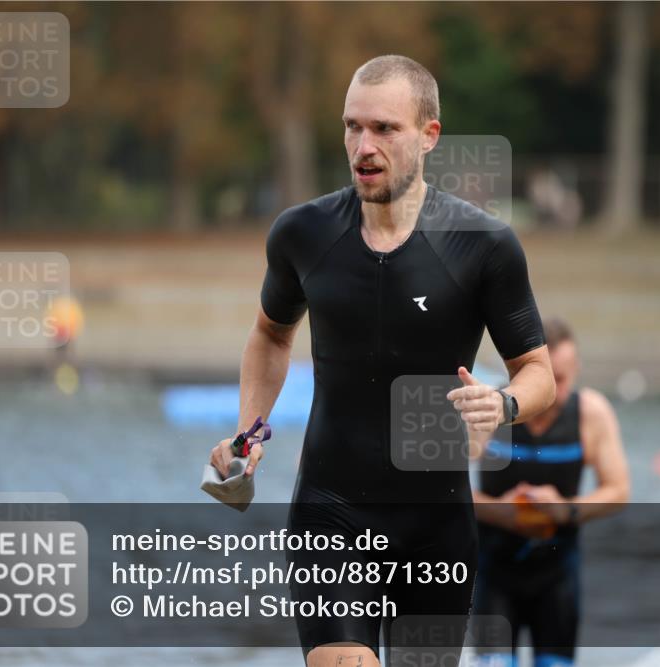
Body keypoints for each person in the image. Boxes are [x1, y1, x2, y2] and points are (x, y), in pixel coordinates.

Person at [208, 55, 556, 667]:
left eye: (385, 129)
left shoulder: (484, 246)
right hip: (331, 514)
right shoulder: (303, 234)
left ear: (429, 135)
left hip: (437, 525)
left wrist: (501, 404)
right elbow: (270, 335)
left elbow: (540, 375)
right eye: (352, 127)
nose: (363, 146)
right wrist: (249, 430)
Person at [471, 317, 630, 667]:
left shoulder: (591, 413)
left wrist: (567, 510)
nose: (552, 392)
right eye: (546, 379)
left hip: (556, 577)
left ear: (576, 370)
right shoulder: (489, 408)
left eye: (561, 380)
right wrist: (501, 512)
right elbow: (441, 490)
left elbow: (619, 490)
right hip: (495, 573)